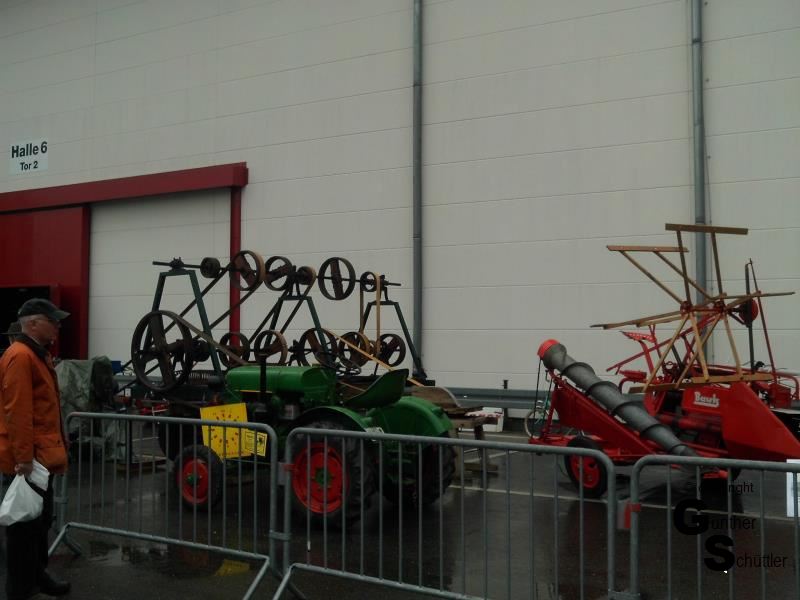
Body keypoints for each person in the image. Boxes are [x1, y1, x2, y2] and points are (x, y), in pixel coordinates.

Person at [0, 299, 71, 599]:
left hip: (41, 457)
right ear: (32, 323)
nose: (58, 326)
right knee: (23, 529)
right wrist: (23, 459)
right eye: (52, 321)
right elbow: (18, 412)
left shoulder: (36, 355)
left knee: (39, 524)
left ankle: (38, 577)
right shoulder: (20, 356)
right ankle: (20, 590)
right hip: (30, 461)